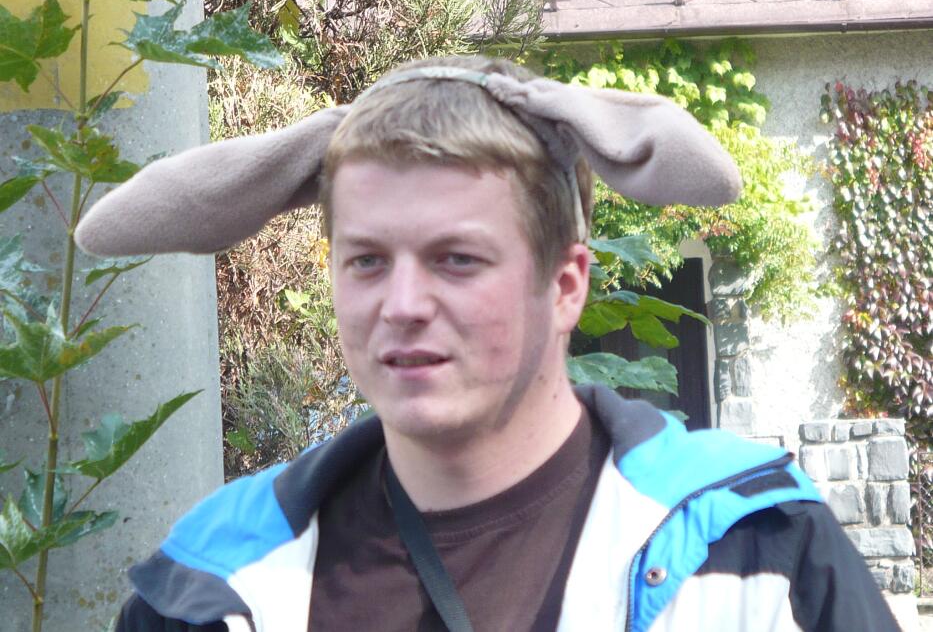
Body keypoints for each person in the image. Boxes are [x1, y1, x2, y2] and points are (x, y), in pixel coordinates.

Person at [76, 55, 898, 631]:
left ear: (565, 284)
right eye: (366, 261)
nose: (402, 306)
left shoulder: (753, 552)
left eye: (456, 260)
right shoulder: (208, 585)